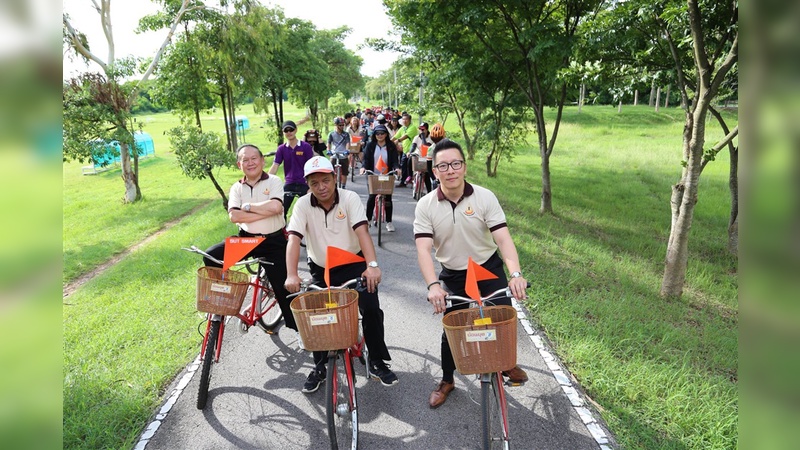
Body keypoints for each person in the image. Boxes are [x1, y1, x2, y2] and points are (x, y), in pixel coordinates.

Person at [413, 138, 529, 409]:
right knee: (451, 328)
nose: (450, 170)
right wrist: (433, 285)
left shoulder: (484, 197)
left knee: (503, 316)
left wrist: (515, 275)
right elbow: (423, 250)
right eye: (443, 165)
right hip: (453, 274)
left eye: (455, 164)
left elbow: (503, 240)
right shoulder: (426, 205)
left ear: (464, 167)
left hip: (487, 268)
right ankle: (447, 380)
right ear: (434, 171)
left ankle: (508, 364)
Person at [285, 156, 399, 393]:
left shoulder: (349, 198)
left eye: (325, 180)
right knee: (314, 314)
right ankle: (319, 366)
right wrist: (291, 274)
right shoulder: (303, 205)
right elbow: (294, 239)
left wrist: (373, 265)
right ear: (308, 185)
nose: (321, 187)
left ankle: (377, 360)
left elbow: (363, 232)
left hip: (353, 263)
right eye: (314, 183)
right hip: (321, 268)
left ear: (334, 178)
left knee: (370, 307)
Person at [202, 143, 296, 332]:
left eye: (254, 158)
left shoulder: (274, 181)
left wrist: (247, 207)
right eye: (245, 160)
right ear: (239, 164)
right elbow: (234, 217)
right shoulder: (237, 187)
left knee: (285, 289)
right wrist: (264, 211)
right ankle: (224, 299)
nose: (250, 163)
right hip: (247, 239)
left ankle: (297, 329)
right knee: (211, 256)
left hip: (274, 242)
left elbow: (277, 208)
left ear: (262, 161)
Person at [268, 120, 315, 220]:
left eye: (291, 130)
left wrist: (311, 186)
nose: (289, 132)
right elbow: (275, 165)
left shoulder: (305, 147)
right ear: (283, 132)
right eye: (286, 130)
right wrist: (266, 181)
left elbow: (311, 168)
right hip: (289, 183)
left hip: (304, 183)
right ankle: (283, 232)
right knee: (280, 210)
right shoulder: (281, 149)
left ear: (296, 130)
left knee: (310, 210)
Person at [360, 124, 401, 232]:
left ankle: (389, 222)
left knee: (388, 198)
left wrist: (397, 168)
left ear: (386, 134)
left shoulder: (391, 146)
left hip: (387, 175)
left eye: (382, 133)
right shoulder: (370, 146)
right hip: (373, 174)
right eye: (377, 133)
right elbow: (366, 159)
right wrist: (363, 168)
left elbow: (395, 160)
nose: (380, 135)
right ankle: (368, 220)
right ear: (374, 135)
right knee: (372, 197)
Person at [408, 122, 435, 194]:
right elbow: (413, 146)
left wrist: (423, 137)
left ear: (426, 129)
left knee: (427, 175)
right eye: (420, 129)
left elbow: (425, 146)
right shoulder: (416, 137)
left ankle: (429, 192)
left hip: (428, 156)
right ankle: (410, 176)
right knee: (410, 158)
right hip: (418, 155)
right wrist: (410, 152)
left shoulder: (431, 138)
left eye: (423, 129)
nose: (421, 131)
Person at [393, 113, 417, 187]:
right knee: (403, 166)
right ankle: (403, 182)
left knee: (411, 166)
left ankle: (413, 180)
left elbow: (405, 136)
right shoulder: (403, 128)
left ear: (410, 120)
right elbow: (395, 136)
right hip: (405, 150)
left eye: (406, 119)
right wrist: (387, 143)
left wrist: (398, 141)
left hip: (413, 151)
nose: (404, 121)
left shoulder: (412, 127)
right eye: (403, 119)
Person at [327, 116, 350, 189]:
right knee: (330, 170)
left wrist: (347, 150)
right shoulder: (331, 134)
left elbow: (347, 143)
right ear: (336, 125)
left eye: (343, 125)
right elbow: (329, 143)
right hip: (334, 154)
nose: (342, 126)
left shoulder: (346, 134)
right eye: (340, 125)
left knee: (345, 171)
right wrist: (328, 150)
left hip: (343, 154)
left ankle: (343, 186)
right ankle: (333, 184)